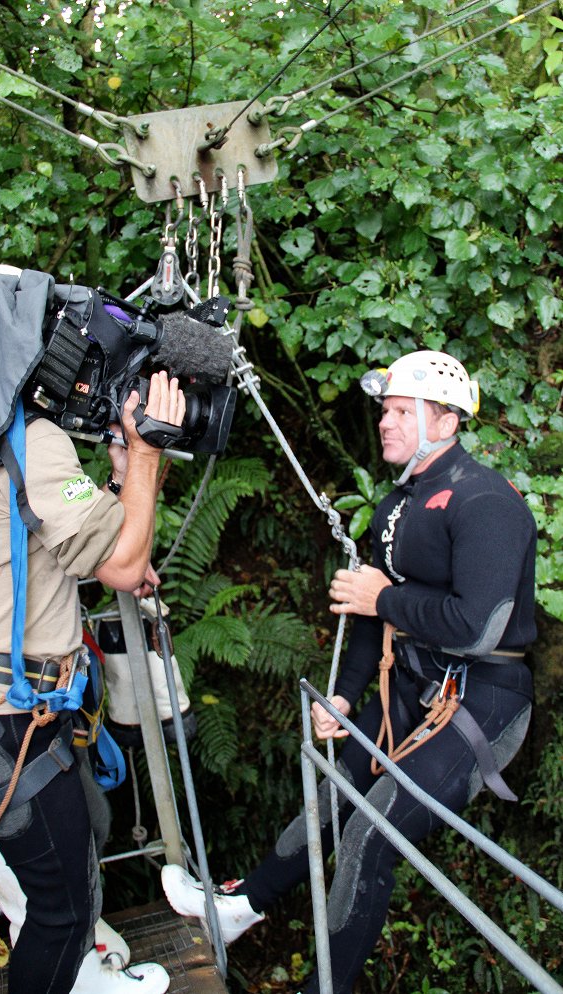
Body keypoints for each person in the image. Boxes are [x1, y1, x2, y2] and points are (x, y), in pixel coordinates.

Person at [161, 350, 537, 994]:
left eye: (399, 411)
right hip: (414, 684)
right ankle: (239, 909)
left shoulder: (486, 503)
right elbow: (373, 621)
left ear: (444, 422)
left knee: (369, 834)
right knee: (331, 794)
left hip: (483, 701)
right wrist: (343, 691)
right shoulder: (398, 505)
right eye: (384, 411)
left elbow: (480, 626)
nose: (385, 423)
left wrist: (382, 598)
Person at [0, 266, 186, 994]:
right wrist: (149, 453)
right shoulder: (29, 441)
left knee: (79, 836)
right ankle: (71, 972)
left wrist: (124, 477)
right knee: (61, 909)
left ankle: (84, 978)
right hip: (5, 713)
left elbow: (28, 540)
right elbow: (123, 569)